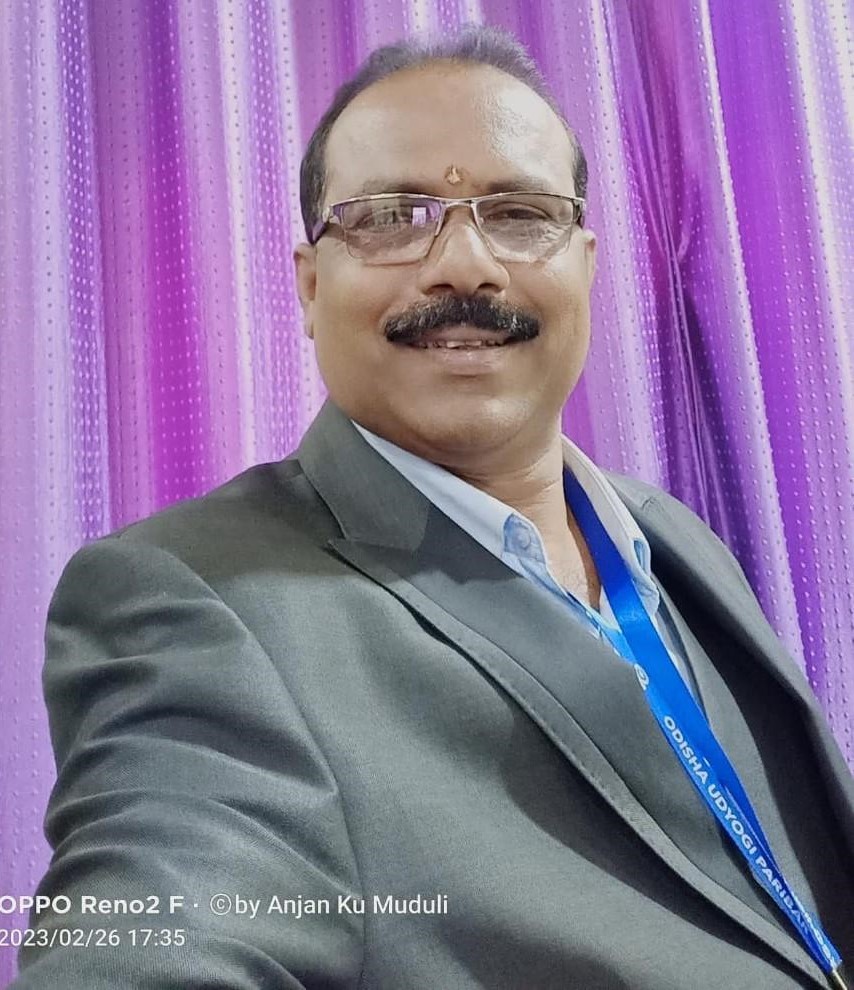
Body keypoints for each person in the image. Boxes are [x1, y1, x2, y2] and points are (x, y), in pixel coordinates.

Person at [14, 24, 854, 990]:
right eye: (390, 217)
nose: (464, 266)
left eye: (520, 213)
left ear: (586, 264)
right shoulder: (198, 602)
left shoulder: (670, 537)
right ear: (310, 286)